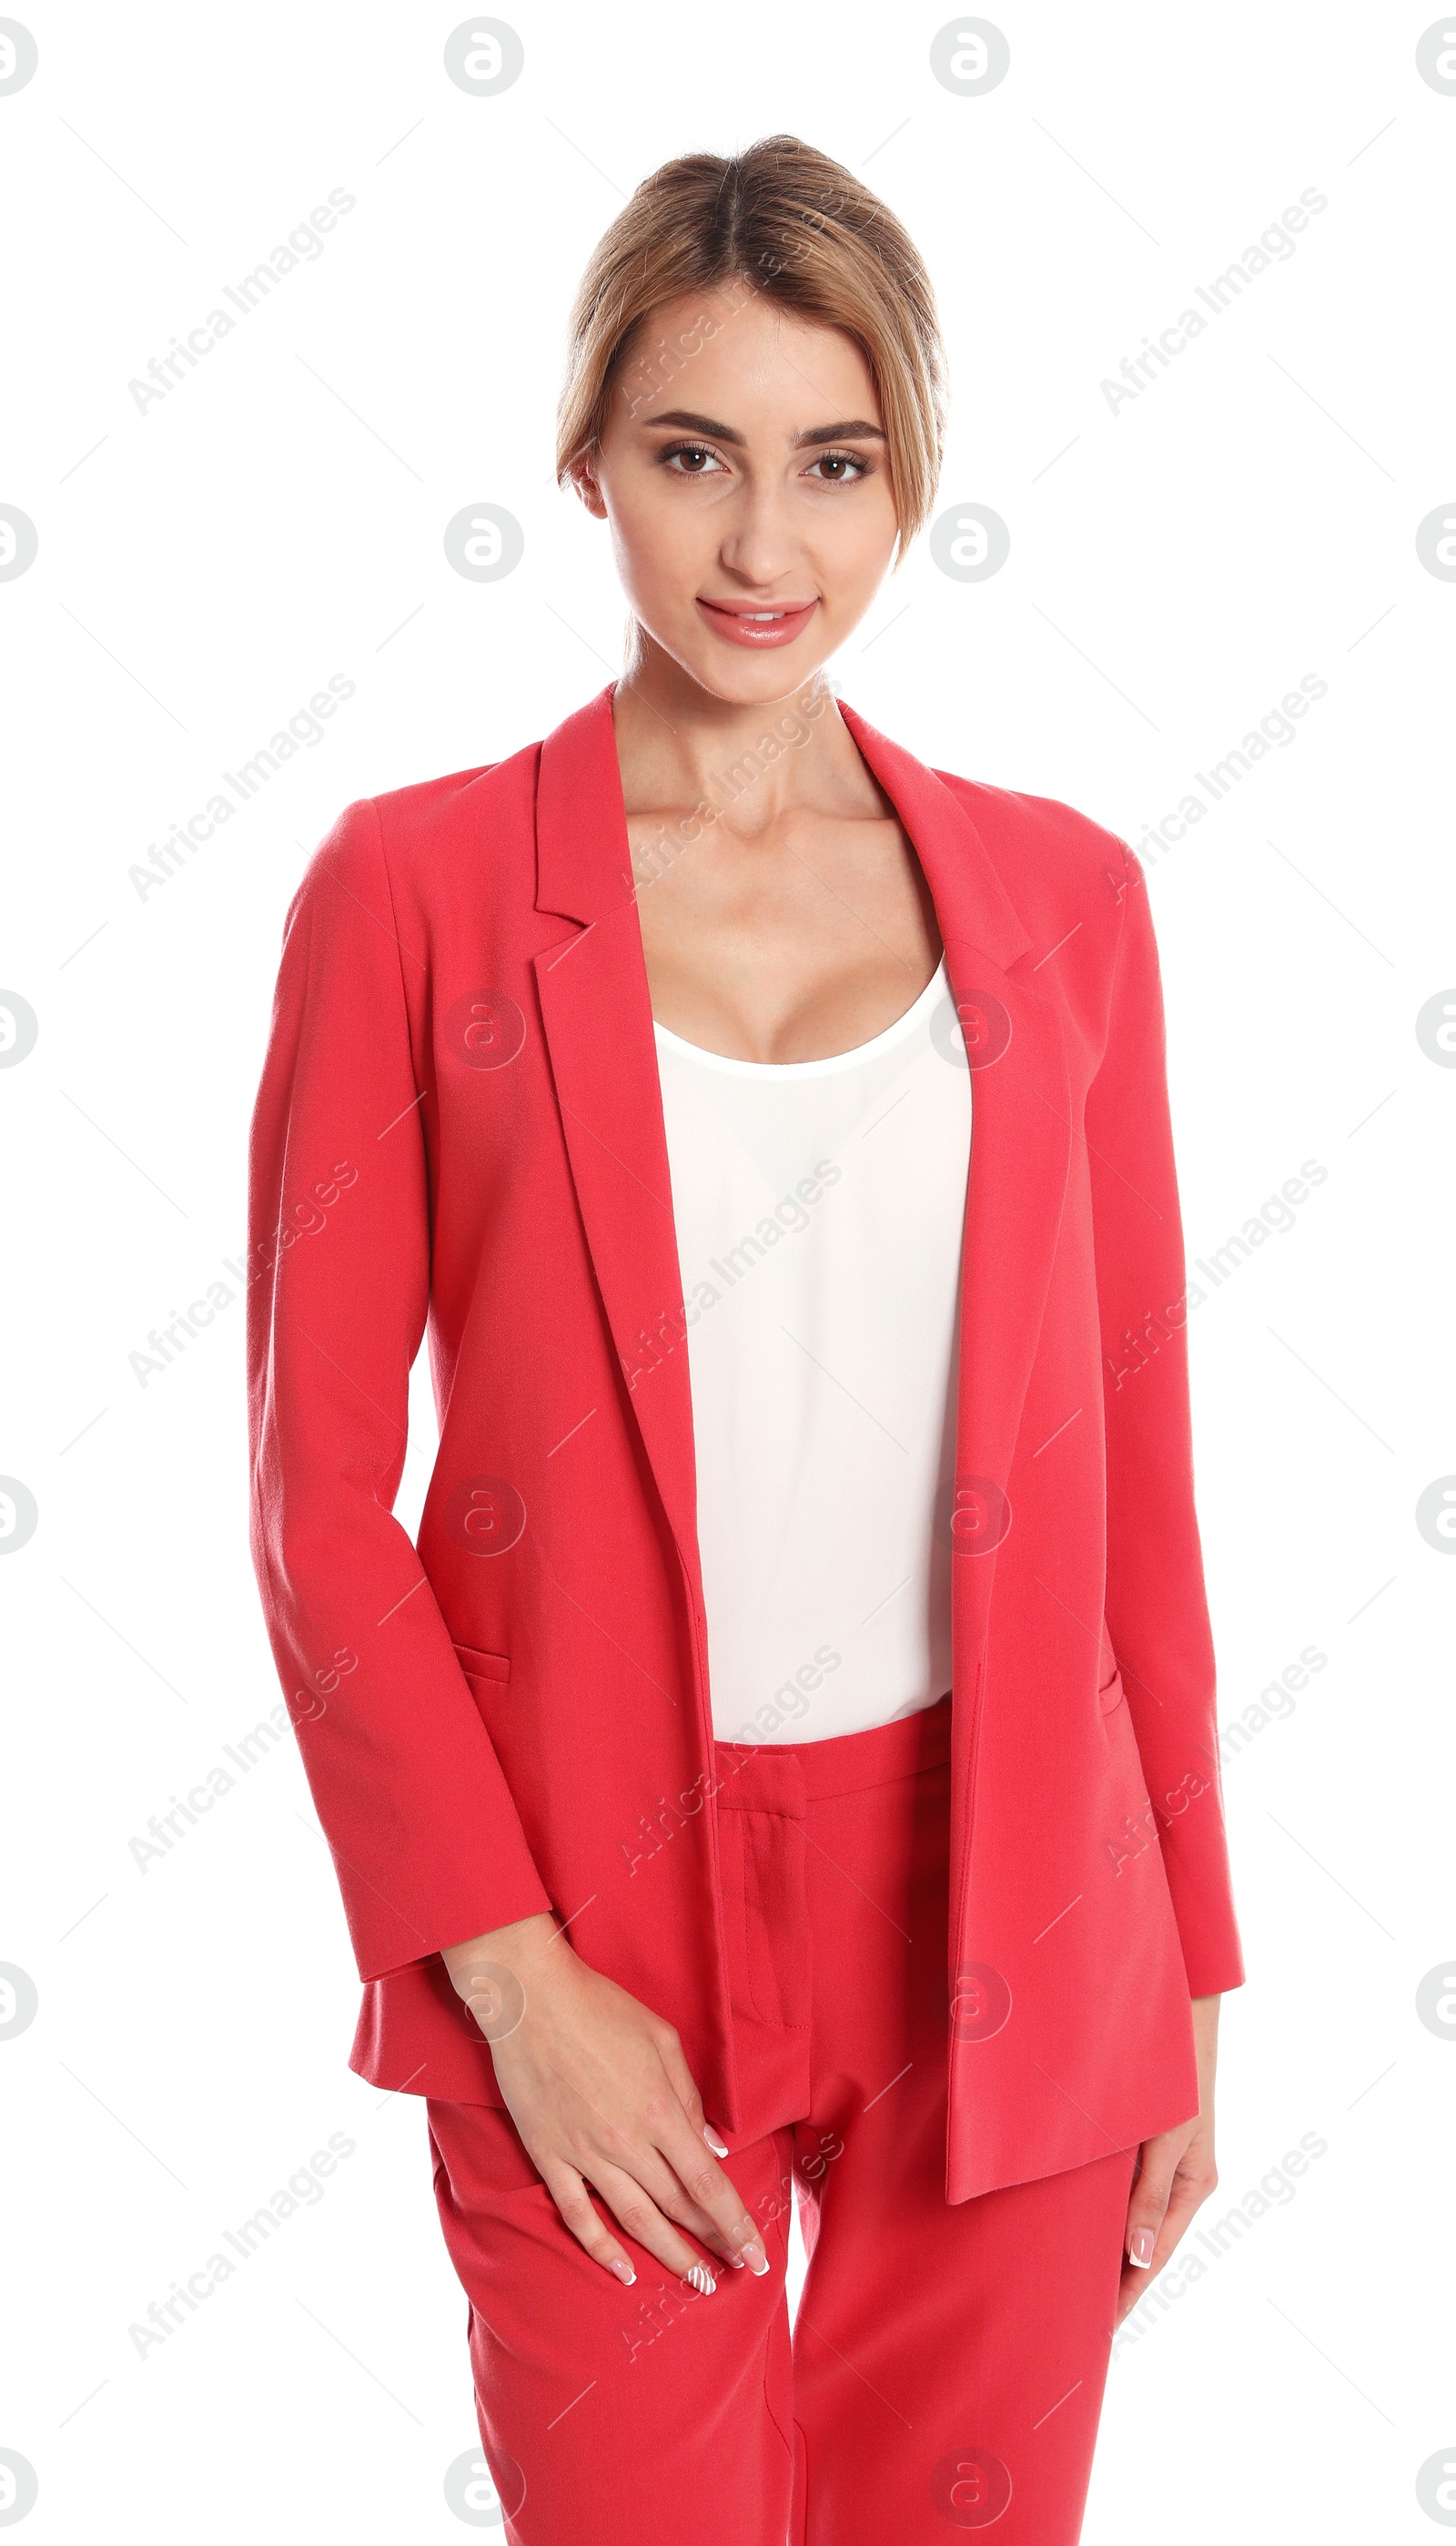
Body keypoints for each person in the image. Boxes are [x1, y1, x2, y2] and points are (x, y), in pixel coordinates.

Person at [247, 134, 1243, 2546]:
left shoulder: (1063, 908)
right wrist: (513, 1978)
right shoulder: (415, 894)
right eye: (694, 455)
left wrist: (1187, 1950)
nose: (763, 546)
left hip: (1009, 1908)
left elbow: (1133, 1464)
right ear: (585, 456)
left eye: (835, 465)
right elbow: (313, 1499)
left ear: (910, 482)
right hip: (592, 1899)